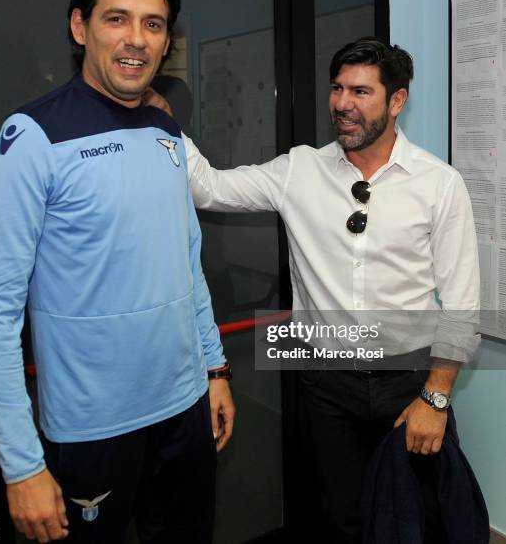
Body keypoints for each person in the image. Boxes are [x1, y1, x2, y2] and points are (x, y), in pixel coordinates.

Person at [0, 0, 234, 544]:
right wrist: (21, 464)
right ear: (79, 27)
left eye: (153, 23)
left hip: (185, 411)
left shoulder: (168, 132)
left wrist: (216, 370)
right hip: (90, 436)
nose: (135, 39)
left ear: (167, 41)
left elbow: (188, 267)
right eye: (117, 18)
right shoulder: (30, 140)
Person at [169, 37, 480, 543]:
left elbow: (462, 304)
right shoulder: (299, 170)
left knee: (420, 517)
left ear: (396, 101)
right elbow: (208, 186)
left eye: (360, 91)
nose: (342, 103)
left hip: (410, 379)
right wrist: (161, 124)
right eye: (337, 88)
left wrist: (437, 397)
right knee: (343, 517)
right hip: (326, 383)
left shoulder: (438, 184)